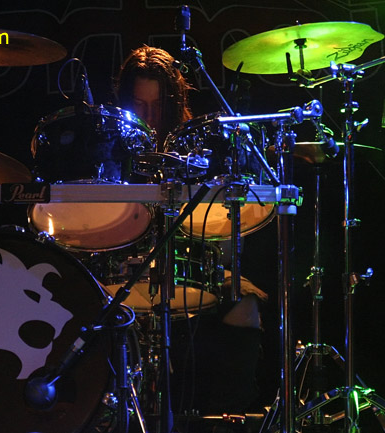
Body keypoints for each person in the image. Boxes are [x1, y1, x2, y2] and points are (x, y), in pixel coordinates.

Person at [114, 45, 268, 425]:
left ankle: (225, 422)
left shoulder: (198, 146)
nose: (149, 116)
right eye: (139, 105)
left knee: (245, 304)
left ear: (174, 102)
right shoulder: (110, 148)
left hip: (194, 266)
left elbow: (228, 241)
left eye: (157, 105)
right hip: (125, 270)